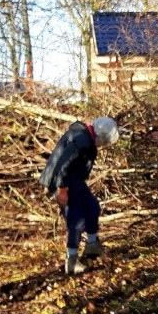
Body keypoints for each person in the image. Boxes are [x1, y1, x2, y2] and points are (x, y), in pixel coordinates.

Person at [39, 116, 120, 275]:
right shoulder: (81, 140)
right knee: (77, 220)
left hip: (74, 180)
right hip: (62, 182)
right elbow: (63, 164)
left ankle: (92, 245)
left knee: (92, 207)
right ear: (100, 137)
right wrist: (62, 190)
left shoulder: (86, 138)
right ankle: (72, 260)